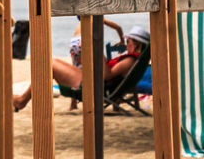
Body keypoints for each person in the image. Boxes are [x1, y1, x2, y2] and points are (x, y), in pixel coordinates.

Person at [13, 23, 149, 111]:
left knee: (49, 66)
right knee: (51, 61)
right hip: (94, 80)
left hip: (95, 85)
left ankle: (22, 100)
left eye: (128, 41)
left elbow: (107, 75)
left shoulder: (130, 60)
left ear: (137, 44)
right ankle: (24, 99)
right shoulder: (132, 60)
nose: (126, 43)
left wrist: (97, 51)